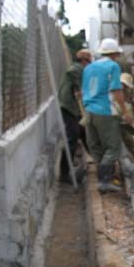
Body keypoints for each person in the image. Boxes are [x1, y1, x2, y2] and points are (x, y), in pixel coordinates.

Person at [82, 38, 134, 193]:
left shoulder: (88, 68)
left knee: (95, 145)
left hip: (89, 110)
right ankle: (104, 181)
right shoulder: (113, 66)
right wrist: (125, 112)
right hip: (105, 110)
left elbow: (84, 89)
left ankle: (103, 178)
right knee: (113, 148)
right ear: (114, 53)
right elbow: (117, 90)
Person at [58, 49, 92, 184]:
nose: (89, 64)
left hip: (71, 106)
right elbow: (73, 74)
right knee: (72, 136)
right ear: (84, 60)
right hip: (69, 106)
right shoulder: (77, 69)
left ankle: (97, 158)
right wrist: (81, 90)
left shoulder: (78, 68)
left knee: (83, 131)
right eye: (89, 61)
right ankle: (64, 174)